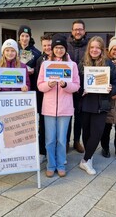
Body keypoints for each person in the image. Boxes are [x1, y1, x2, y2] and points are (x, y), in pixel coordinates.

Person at [37, 34, 80, 178]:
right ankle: (51, 165)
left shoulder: (72, 65)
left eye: (61, 47)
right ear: (52, 49)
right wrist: (48, 84)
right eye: (56, 47)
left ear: (65, 49)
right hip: (48, 108)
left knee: (62, 140)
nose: (59, 50)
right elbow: (39, 85)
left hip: (65, 108)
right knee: (49, 139)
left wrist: (65, 85)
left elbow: (76, 86)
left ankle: (61, 165)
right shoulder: (45, 64)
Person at [78, 36, 116, 175]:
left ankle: (86, 159)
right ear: (89, 49)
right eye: (92, 47)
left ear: (102, 50)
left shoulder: (108, 64)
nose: (94, 50)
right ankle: (88, 159)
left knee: (96, 133)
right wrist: (80, 90)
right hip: (85, 104)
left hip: (101, 104)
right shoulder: (82, 63)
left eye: (97, 47)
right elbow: (76, 82)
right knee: (86, 133)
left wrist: (111, 88)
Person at [66, 20, 89, 153]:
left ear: (84, 31)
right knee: (67, 115)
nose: (78, 32)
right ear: (72, 31)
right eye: (75, 29)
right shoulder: (66, 45)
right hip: (68, 87)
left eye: (80, 29)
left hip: (83, 87)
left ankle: (76, 141)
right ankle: (67, 141)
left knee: (79, 116)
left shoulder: (88, 46)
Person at [34, 34, 52, 163]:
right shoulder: (40, 59)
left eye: (49, 45)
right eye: (45, 45)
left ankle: (55, 152)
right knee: (43, 126)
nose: (47, 47)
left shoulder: (62, 59)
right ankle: (42, 152)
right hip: (42, 98)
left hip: (57, 99)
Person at [17, 25, 41, 90]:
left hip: (31, 84)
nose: (24, 39)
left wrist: (34, 70)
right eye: (22, 36)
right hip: (15, 84)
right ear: (19, 36)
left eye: (27, 36)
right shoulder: (14, 50)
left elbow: (40, 68)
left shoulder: (37, 53)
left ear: (30, 37)